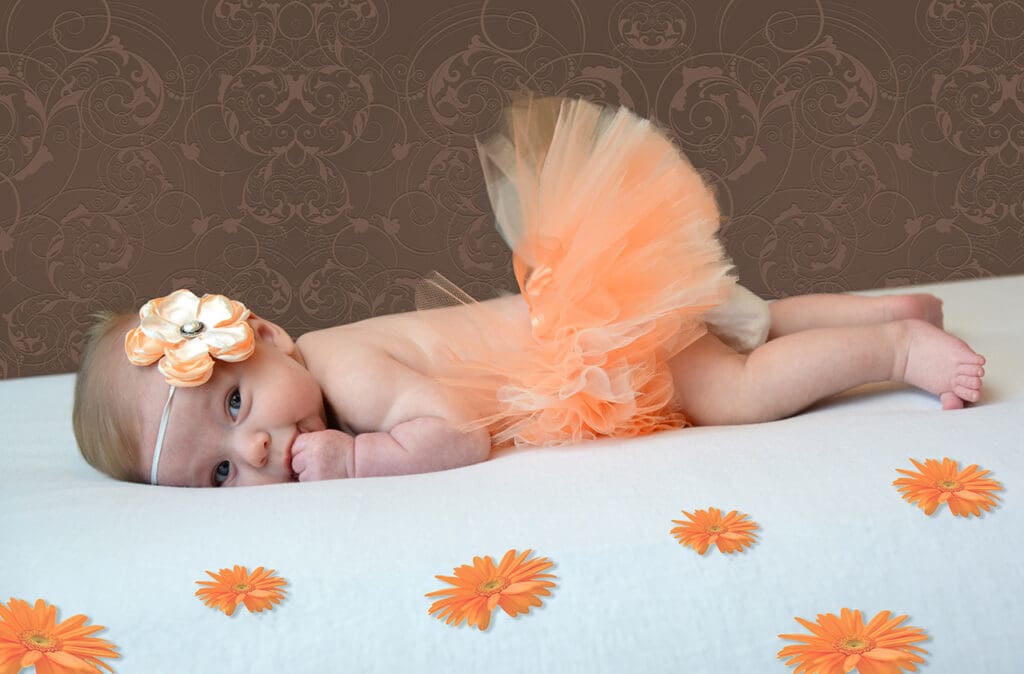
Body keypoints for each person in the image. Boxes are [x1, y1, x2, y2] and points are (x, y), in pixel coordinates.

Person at [72, 96, 986, 488]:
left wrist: (363, 463)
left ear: (266, 332)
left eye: (235, 401)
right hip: (599, 316)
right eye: (223, 470)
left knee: (735, 391)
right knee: (749, 322)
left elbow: (457, 434)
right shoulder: (321, 374)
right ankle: (882, 309)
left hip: (596, 344)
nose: (262, 445)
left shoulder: (347, 375)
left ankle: (893, 351)